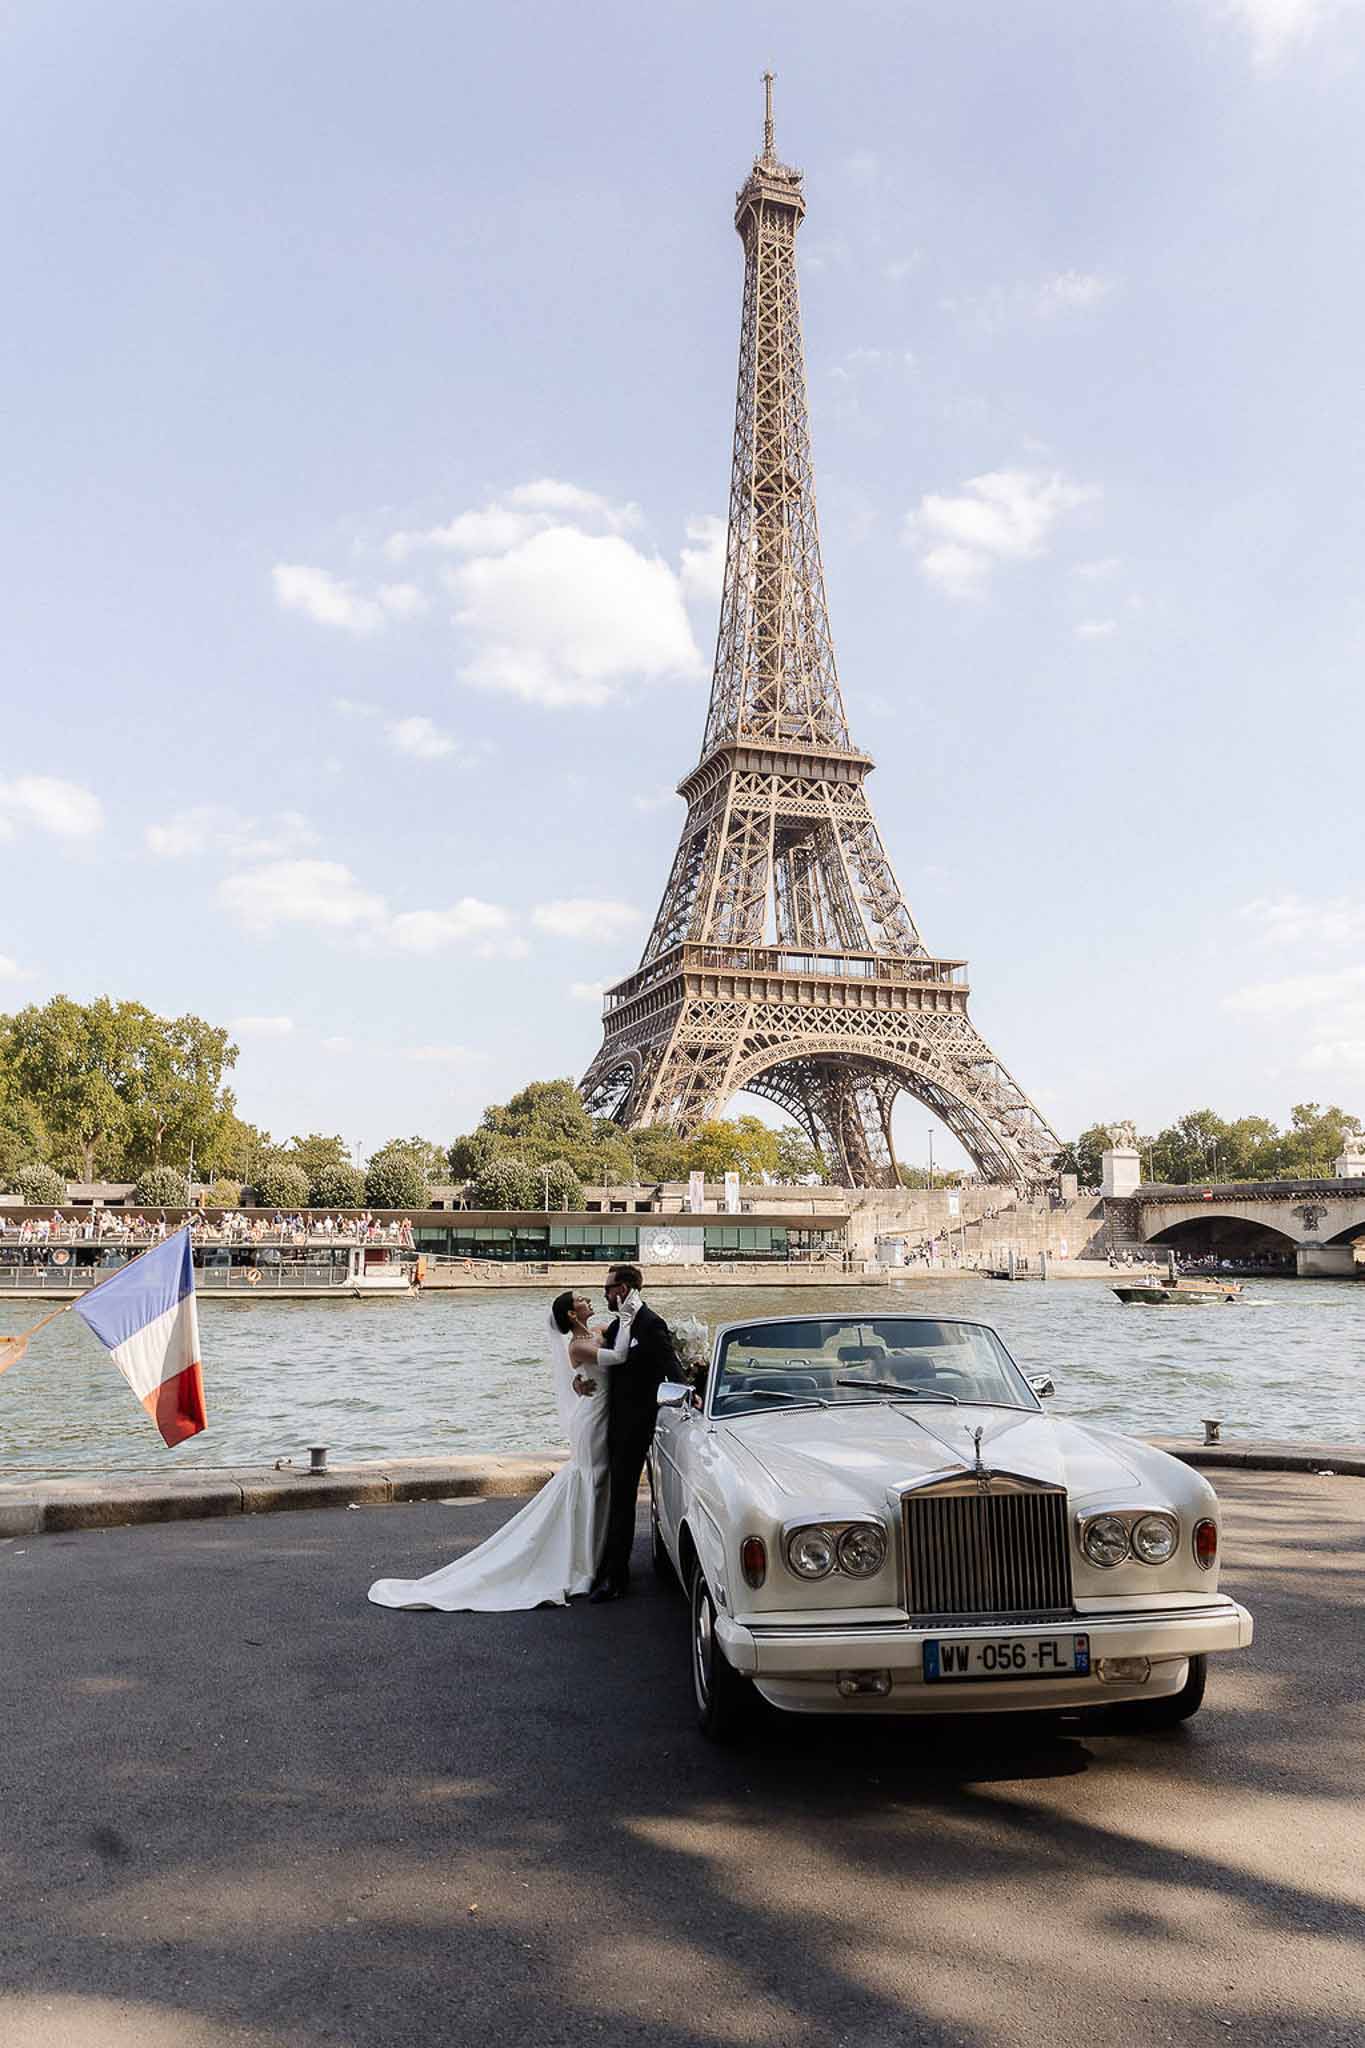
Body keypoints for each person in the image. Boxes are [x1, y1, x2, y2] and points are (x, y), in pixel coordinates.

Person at [367, 1291, 628, 1613]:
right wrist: (631, 1311)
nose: (588, 1299)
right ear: (572, 1315)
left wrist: (580, 1379)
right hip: (591, 1421)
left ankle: (591, 1554)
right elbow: (618, 1357)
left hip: (598, 1413)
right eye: (580, 1299)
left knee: (597, 1484)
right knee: (593, 1481)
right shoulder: (577, 1346)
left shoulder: (596, 1333)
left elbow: (597, 1356)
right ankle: (585, 1561)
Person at [590, 1263, 679, 1604]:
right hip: (615, 1425)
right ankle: (611, 1568)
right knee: (619, 1499)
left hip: (639, 1425)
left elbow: (670, 1366)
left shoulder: (652, 1324)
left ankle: (616, 1578)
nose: (605, 1294)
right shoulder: (617, 1326)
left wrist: (691, 1393)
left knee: (623, 1501)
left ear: (623, 1289)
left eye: (608, 1288)